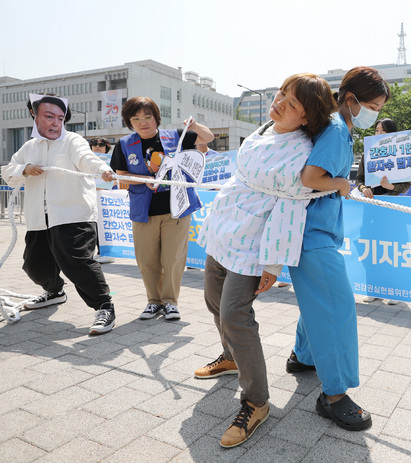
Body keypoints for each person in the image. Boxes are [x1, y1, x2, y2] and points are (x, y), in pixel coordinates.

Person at [193, 73, 336, 448]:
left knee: (235, 316)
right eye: (281, 94)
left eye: (292, 104)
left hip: (253, 244)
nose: (280, 103)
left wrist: (273, 264)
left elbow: (292, 208)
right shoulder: (262, 131)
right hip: (223, 227)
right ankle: (230, 357)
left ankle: (255, 401)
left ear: (306, 118)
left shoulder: (303, 150)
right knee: (212, 301)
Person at [285, 66, 390, 432]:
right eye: (373, 105)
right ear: (351, 99)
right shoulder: (335, 129)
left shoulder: (336, 127)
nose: (375, 112)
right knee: (337, 307)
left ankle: (304, 356)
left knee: (319, 300)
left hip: (313, 231)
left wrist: (347, 185)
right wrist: (343, 183)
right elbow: (312, 178)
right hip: (314, 233)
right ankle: (334, 395)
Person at [1, 94, 117, 335]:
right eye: (49, 116)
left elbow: (87, 159)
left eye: (60, 118)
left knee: (77, 261)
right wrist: (24, 169)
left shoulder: (73, 141)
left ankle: (105, 306)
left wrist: (103, 170)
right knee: (34, 265)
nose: (55, 123)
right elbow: (9, 173)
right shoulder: (29, 147)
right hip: (39, 218)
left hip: (73, 214)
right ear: (35, 116)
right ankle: (54, 292)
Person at [110, 97, 213, 321]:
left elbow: (208, 138)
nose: (142, 122)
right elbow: (121, 177)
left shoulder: (176, 136)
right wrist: (145, 179)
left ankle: (170, 302)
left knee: (173, 259)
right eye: (135, 119)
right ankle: (153, 302)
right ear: (129, 122)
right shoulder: (124, 144)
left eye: (147, 117)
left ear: (157, 118)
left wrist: (194, 126)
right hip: (143, 211)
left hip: (177, 209)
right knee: (147, 260)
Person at [357, 117, 409, 305]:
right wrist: (364, 189)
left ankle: (393, 291)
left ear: (392, 134)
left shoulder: (400, 154)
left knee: (392, 247)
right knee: (371, 246)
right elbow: (360, 179)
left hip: (390, 208)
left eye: (383, 131)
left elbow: (406, 185)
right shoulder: (368, 152)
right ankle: (373, 288)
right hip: (370, 208)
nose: (378, 134)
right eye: (377, 130)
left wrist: (391, 186)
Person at [89, 137, 116, 264]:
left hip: (105, 196)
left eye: (101, 144)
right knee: (93, 226)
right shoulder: (87, 161)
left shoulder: (112, 161)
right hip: (90, 196)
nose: (97, 146)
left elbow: (117, 177)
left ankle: (108, 253)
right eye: (94, 144)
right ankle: (99, 252)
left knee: (105, 225)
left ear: (107, 147)